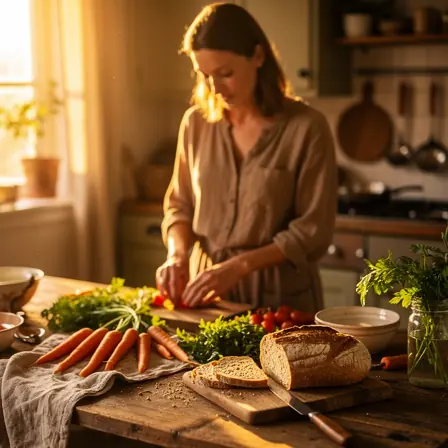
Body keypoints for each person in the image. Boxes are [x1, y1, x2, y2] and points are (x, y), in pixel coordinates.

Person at [156, 2, 337, 312]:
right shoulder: (195, 123)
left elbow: (312, 230)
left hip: (280, 299)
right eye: (205, 75)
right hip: (207, 296)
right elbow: (179, 206)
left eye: (225, 74)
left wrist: (239, 266)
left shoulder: (307, 128)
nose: (215, 88)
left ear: (258, 56)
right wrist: (176, 254)